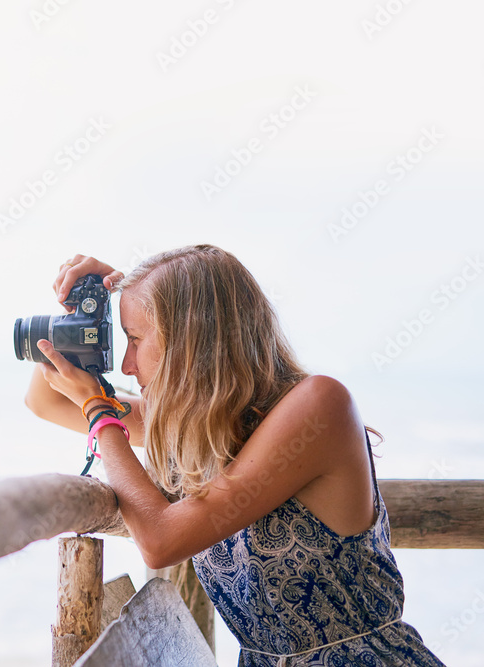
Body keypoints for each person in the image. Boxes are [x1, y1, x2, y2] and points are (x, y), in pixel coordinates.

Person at [24, 245, 445, 666]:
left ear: (190, 340)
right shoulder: (195, 424)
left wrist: (101, 413)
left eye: (134, 339)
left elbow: (160, 542)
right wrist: (81, 310)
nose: (128, 366)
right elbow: (46, 401)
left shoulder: (318, 407)